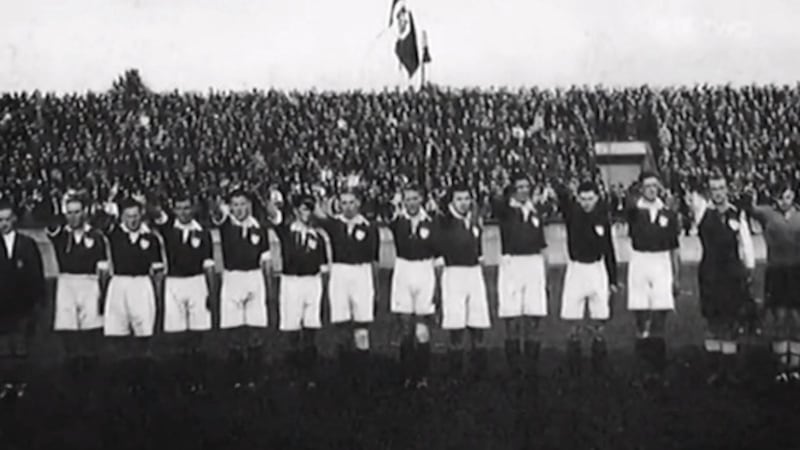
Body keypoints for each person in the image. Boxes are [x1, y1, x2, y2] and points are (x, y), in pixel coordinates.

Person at [690, 173, 755, 386]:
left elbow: (745, 243)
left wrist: (749, 267)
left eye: (721, 188)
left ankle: (730, 370)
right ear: (709, 192)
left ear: (726, 190)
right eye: (714, 189)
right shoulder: (702, 212)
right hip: (710, 273)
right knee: (712, 321)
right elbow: (693, 191)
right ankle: (714, 369)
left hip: (732, 273)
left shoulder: (737, 214)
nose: (718, 193)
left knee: (731, 321)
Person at [314, 188, 379, 389]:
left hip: (362, 273)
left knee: (361, 327)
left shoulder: (369, 227)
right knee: (341, 326)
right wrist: (320, 195)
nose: (348, 206)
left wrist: (375, 288)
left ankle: (363, 375)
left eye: (352, 202)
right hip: (340, 273)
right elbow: (317, 213)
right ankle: (345, 373)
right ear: (338, 205)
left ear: (358, 203)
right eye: (344, 203)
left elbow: (374, 261)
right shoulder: (334, 225)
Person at [46, 193, 111, 389]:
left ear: (85, 213)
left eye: (77, 212)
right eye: (70, 213)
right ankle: (72, 373)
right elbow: (51, 225)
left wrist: (103, 291)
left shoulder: (97, 236)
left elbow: (103, 266)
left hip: (90, 282)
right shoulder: (60, 234)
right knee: (69, 330)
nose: (73, 217)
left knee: (91, 329)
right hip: (67, 282)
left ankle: (92, 373)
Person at [153, 194, 215, 394]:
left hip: (197, 282)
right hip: (174, 283)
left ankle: (198, 377)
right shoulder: (168, 230)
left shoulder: (203, 233)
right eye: (179, 208)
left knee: (197, 333)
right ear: (174, 210)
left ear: (193, 208)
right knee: (177, 334)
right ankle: (179, 378)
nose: (183, 212)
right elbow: (156, 214)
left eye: (187, 208)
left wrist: (211, 292)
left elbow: (209, 265)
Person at [554, 179, 618, 376]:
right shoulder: (572, 214)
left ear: (597, 199)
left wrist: (613, 279)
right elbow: (562, 195)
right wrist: (564, 185)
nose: (587, 203)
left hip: (597, 268)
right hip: (577, 269)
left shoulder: (602, 218)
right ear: (578, 199)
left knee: (599, 318)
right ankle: (573, 364)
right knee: (573, 319)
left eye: (590, 199)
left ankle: (599, 363)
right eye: (583, 199)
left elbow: (609, 249)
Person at [103, 197, 166, 395]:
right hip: (119, 284)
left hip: (142, 284)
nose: (132, 221)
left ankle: (143, 378)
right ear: (121, 217)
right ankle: (122, 379)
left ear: (141, 216)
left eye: (136, 216)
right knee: (119, 334)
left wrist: (157, 296)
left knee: (144, 333)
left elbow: (157, 271)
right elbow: (99, 219)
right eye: (128, 216)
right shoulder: (113, 234)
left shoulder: (152, 238)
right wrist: (111, 198)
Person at [212, 188, 272, 390]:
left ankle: (256, 376)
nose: (239, 209)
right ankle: (236, 377)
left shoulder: (259, 228)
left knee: (256, 330)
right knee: (234, 331)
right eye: (235, 205)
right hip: (233, 277)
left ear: (250, 205)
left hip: (254, 276)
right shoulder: (226, 225)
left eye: (242, 204)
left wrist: (269, 289)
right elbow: (216, 212)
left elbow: (265, 261)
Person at [625, 172, 680, 387]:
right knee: (641, 316)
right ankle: (642, 369)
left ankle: (657, 370)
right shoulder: (634, 211)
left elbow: (675, 248)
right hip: (639, 261)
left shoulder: (668, 213)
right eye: (647, 186)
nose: (651, 190)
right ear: (641, 188)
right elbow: (627, 201)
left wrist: (676, 276)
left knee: (659, 316)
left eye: (655, 186)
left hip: (661, 262)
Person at [267, 194, 327, 390]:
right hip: (291, 282)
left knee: (310, 331)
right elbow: (274, 216)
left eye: (309, 209)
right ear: (295, 211)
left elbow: (323, 266)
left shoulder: (317, 236)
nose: (306, 213)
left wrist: (323, 291)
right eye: (302, 209)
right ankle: (293, 374)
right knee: (292, 330)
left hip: (312, 282)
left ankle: (310, 375)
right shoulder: (286, 231)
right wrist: (271, 200)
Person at [742, 184, 800, 383]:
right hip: (776, 272)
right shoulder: (768, 214)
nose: (785, 201)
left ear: (793, 196)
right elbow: (749, 208)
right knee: (780, 317)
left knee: (796, 317)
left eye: (788, 196)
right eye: (781, 197)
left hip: (796, 272)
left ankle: (795, 365)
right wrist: (749, 194)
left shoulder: (799, 217)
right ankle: (781, 365)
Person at [434, 183, 490, 382]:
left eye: (467, 199)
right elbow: (438, 258)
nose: (464, 203)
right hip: (453, 274)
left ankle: (478, 375)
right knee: (456, 327)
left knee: (478, 326)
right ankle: (455, 374)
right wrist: (439, 289)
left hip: (474, 274)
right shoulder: (443, 222)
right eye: (459, 199)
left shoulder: (475, 221)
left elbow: (480, 252)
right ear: (452, 201)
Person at [494, 173, 548, 379]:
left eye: (527, 186)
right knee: (513, 319)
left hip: (534, 263)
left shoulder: (535, 213)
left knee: (534, 317)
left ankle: (531, 368)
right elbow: (497, 201)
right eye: (520, 187)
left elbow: (542, 244)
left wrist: (545, 270)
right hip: (512, 263)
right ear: (513, 190)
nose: (524, 190)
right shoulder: (506, 210)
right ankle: (514, 369)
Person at [388, 184, 437, 389]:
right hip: (403, 270)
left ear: (422, 199)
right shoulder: (397, 222)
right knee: (406, 327)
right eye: (407, 199)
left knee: (422, 328)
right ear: (403, 201)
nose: (411, 202)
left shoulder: (432, 222)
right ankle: (407, 375)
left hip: (425, 269)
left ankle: (423, 376)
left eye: (415, 198)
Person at [0, 199, 45, 401]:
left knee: (20, 346)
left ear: (15, 219)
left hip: (22, 304)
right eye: (0, 220)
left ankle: (21, 384)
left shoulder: (27, 244)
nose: (3, 224)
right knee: (3, 347)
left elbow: (36, 274)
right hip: (1, 304)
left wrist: (38, 301)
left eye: (7, 219)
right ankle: (5, 383)